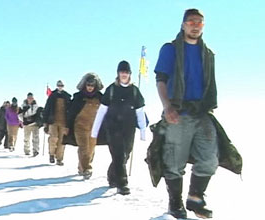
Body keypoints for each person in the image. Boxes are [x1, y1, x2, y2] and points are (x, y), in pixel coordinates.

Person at [154, 9, 218, 219]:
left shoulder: (208, 54)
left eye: (200, 22)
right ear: (183, 25)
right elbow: (161, 79)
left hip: (201, 113)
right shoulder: (170, 49)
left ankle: (195, 198)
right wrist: (167, 106)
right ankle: (175, 204)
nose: (195, 25)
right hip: (178, 113)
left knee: (210, 159)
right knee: (174, 163)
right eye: (191, 21)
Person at [91, 60, 146, 195]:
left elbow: (140, 112)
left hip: (129, 128)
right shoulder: (111, 90)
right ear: (118, 73)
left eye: (126, 72)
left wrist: (143, 131)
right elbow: (102, 111)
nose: (124, 74)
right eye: (122, 72)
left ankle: (112, 175)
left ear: (130, 74)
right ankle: (122, 184)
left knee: (125, 154)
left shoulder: (134, 91)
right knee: (119, 155)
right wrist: (95, 130)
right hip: (113, 127)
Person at [64, 73, 106, 179]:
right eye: (88, 85)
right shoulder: (78, 97)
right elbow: (71, 113)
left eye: (92, 85)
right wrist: (67, 126)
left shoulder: (101, 97)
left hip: (94, 127)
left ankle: (82, 166)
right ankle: (87, 168)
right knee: (84, 148)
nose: (90, 87)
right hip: (80, 126)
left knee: (91, 149)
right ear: (84, 85)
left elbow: (105, 111)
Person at [43, 80, 71, 165]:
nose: (60, 86)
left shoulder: (67, 96)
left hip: (64, 122)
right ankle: (51, 154)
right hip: (53, 121)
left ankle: (59, 158)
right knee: (53, 138)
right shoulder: (52, 96)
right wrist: (45, 122)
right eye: (59, 85)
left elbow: (70, 109)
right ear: (56, 86)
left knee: (62, 141)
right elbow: (47, 109)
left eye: (61, 85)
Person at [20, 92, 40, 156]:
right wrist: (24, 119)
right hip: (26, 124)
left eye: (31, 98)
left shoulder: (36, 105)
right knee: (26, 138)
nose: (30, 99)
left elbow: (38, 114)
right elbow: (19, 114)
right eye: (29, 98)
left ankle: (35, 150)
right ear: (27, 98)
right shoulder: (23, 106)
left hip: (34, 124)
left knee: (36, 138)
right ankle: (26, 150)